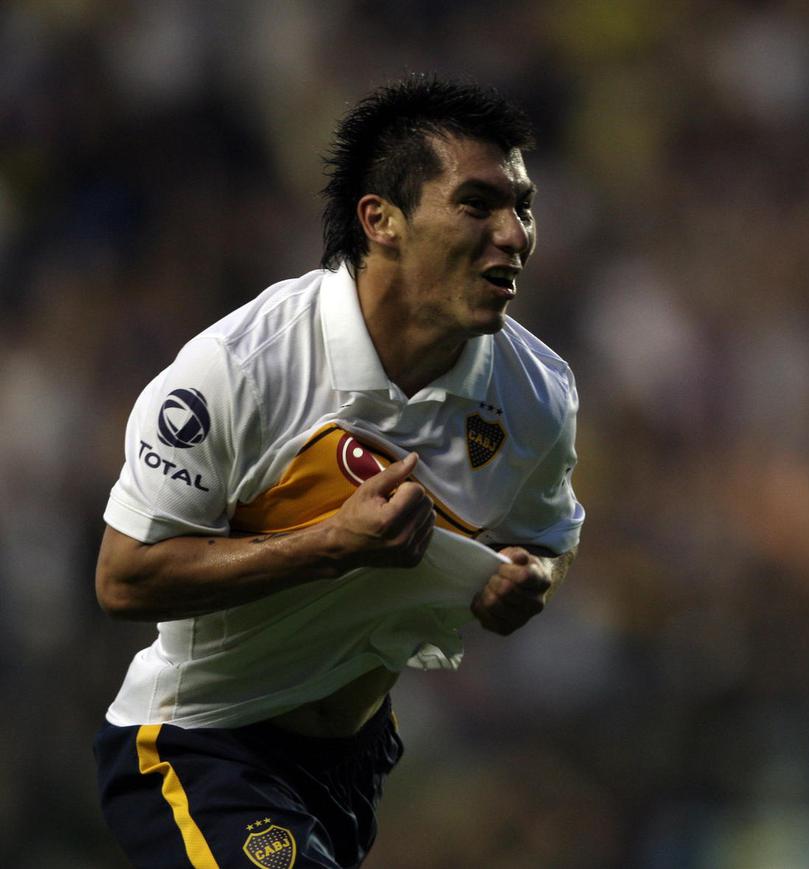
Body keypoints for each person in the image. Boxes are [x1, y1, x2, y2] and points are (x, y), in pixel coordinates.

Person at [93, 75, 584, 869]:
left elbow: (548, 539)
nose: (514, 234)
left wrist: (530, 579)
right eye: (476, 204)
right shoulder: (240, 369)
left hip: (353, 763)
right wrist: (331, 544)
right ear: (380, 219)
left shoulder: (536, 396)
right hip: (197, 741)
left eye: (522, 207)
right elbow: (124, 579)